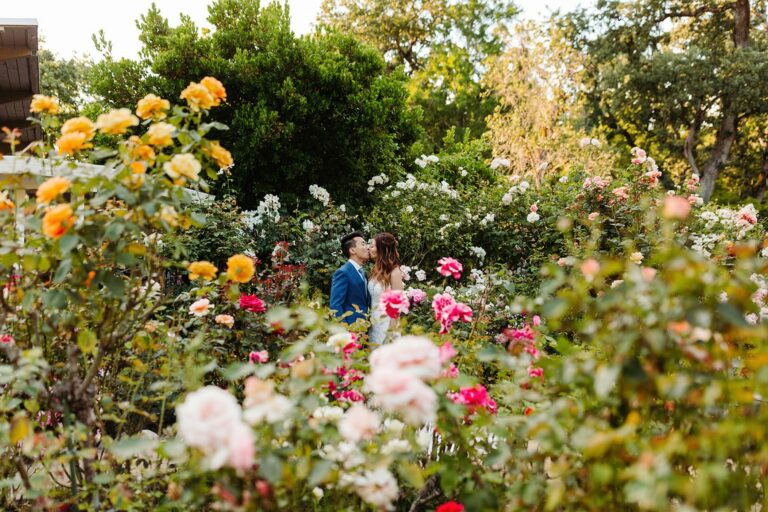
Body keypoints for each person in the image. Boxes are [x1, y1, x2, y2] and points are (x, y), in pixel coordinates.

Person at [367, 232, 404, 344]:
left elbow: (397, 307)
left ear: (381, 249)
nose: (369, 248)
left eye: (372, 246)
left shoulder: (394, 272)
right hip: (373, 325)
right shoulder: (375, 271)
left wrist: (390, 333)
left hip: (387, 325)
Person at [329, 232, 370, 324]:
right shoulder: (343, 272)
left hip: (365, 328)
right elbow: (335, 305)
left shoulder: (363, 272)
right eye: (363, 244)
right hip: (351, 328)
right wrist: (344, 331)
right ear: (352, 250)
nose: (367, 247)